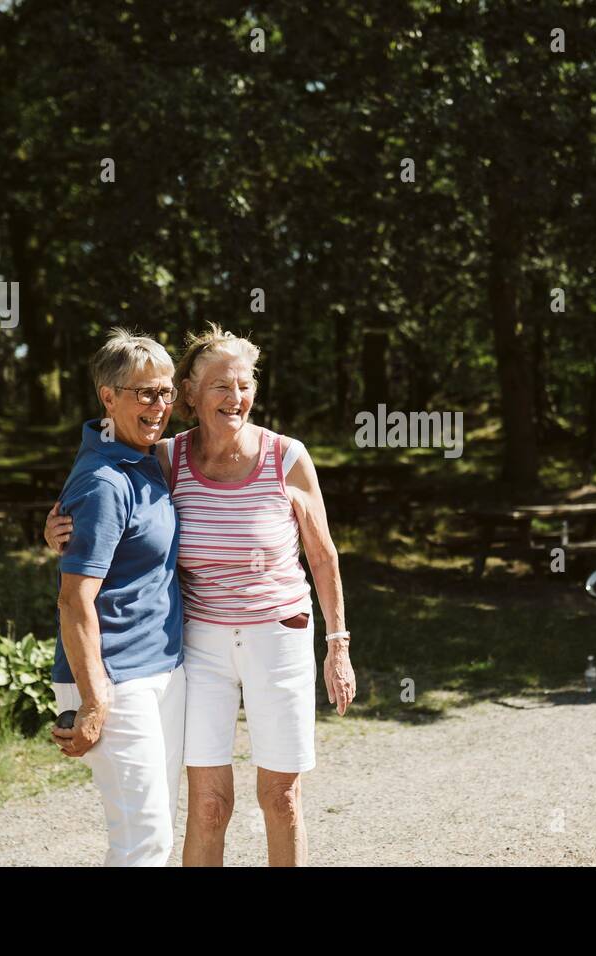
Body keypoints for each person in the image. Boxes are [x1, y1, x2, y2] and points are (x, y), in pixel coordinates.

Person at [47, 324, 355, 867]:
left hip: (276, 637)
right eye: (219, 386)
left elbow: (324, 556)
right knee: (208, 807)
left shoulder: (286, 457)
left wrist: (338, 644)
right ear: (192, 394)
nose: (234, 398)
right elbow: (102, 504)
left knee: (280, 798)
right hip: (201, 645)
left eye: (243, 385)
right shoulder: (167, 457)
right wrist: (53, 527)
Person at [50, 328, 185, 866]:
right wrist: (94, 697)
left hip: (162, 671)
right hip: (114, 679)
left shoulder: (147, 457)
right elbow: (73, 600)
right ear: (109, 397)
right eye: (145, 393)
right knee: (142, 841)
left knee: (155, 833)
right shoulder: (105, 481)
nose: (160, 406)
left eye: (168, 392)